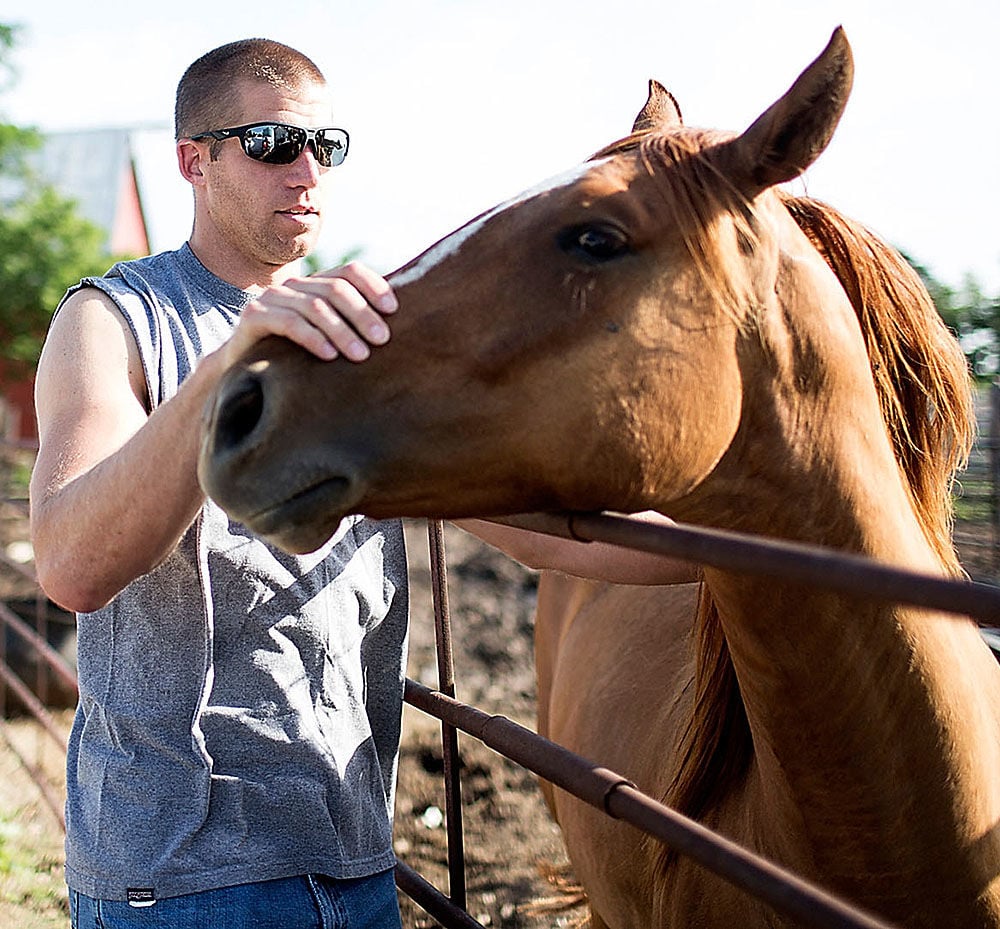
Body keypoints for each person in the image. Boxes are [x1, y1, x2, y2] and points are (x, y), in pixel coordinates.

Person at [30, 37, 696, 929]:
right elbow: (73, 564)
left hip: (354, 860)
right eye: (273, 145)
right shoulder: (114, 319)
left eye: (326, 146)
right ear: (196, 160)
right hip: (181, 878)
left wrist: (767, 559)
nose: (306, 169)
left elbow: (534, 527)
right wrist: (234, 362)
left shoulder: (362, 339)